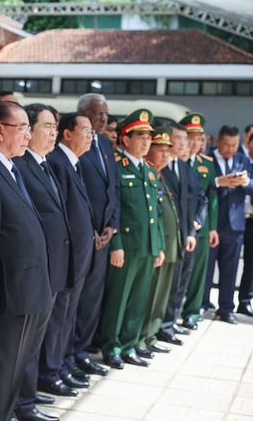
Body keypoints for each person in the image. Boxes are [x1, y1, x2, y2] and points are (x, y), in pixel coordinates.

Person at [0, 102, 52, 421]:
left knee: (12, 374)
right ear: (0, 130)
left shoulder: (8, 166)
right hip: (10, 293)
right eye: (23, 128)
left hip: (27, 288)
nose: (28, 135)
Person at [12, 103, 70, 420]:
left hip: (51, 269)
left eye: (54, 126)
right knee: (24, 346)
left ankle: (26, 399)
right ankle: (20, 404)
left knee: (35, 344)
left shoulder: (45, 165)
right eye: (46, 126)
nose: (53, 132)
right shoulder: (20, 166)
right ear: (29, 129)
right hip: (33, 271)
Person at [99, 109, 165, 370]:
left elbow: (155, 213)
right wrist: (116, 245)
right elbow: (113, 209)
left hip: (147, 245)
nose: (147, 141)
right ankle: (112, 346)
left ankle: (129, 344)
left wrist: (158, 244)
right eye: (140, 136)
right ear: (125, 139)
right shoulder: (116, 167)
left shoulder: (149, 171)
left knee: (138, 299)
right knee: (118, 299)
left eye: (149, 136)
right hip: (125, 247)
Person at [39, 112, 96, 398]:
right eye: (84, 130)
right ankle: (49, 371)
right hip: (66, 258)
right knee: (58, 317)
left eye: (91, 132)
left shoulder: (73, 163)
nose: (90, 136)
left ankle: (60, 365)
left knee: (68, 316)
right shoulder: (58, 162)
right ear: (67, 134)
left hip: (80, 257)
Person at [71, 93, 118, 377]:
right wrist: (89, 231)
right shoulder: (76, 145)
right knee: (74, 303)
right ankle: (67, 355)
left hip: (103, 237)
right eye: (96, 113)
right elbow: (77, 196)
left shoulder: (104, 144)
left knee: (91, 301)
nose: (102, 119)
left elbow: (113, 189)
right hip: (83, 238)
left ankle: (81, 351)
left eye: (104, 114)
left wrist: (111, 224)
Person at [204, 125, 253, 324]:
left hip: (235, 224)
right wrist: (218, 182)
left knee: (230, 269)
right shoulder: (207, 158)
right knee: (207, 268)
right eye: (226, 145)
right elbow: (203, 186)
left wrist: (245, 182)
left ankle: (226, 308)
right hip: (213, 224)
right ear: (218, 142)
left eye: (234, 145)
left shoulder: (242, 160)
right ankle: (202, 304)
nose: (230, 149)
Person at [137, 128, 178, 356]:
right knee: (149, 294)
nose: (165, 155)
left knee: (160, 294)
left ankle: (150, 334)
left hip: (163, 245)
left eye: (167, 151)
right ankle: (143, 335)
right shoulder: (149, 173)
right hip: (152, 245)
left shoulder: (159, 175)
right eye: (160, 150)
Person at [157, 123, 198, 342]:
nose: (185, 143)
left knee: (179, 282)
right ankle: (159, 326)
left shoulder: (183, 167)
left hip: (183, 234)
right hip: (165, 237)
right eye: (180, 138)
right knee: (164, 285)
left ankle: (169, 323)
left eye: (185, 139)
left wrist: (191, 231)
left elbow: (189, 204)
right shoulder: (159, 167)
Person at [180, 113, 218, 324]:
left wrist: (211, 227)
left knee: (198, 273)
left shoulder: (207, 164)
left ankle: (192, 312)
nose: (196, 142)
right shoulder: (177, 161)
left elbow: (211, 197)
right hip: (183, 226)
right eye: (191, 137)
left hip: (201, 228)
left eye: (199, 137)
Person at [238, 124, 253, 317]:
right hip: (234, 217)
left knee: (251, 263)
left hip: (252, 220)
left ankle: (245, 301)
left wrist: (247, 183)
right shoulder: (239, 161)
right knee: (228, 261)